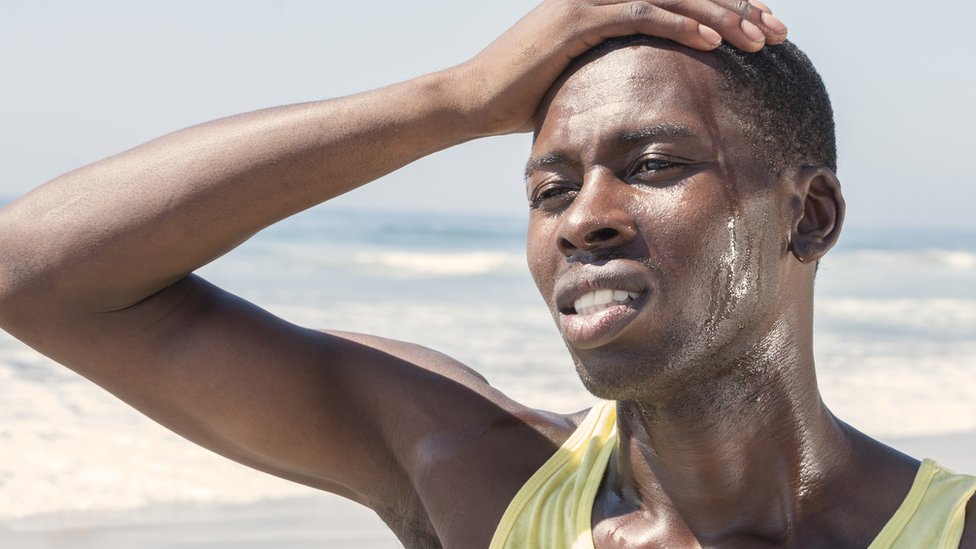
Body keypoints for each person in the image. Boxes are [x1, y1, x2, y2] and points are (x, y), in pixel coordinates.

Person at [0, 1, 972, 547]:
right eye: (548, 188)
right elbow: (36, 274)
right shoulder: (477, 478)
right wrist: (453, 101)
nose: (584, 217)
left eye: (654, 166)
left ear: (806, 218)